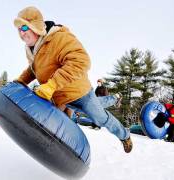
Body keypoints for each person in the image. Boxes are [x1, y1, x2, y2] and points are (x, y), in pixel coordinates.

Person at [14, 6, 132, 153]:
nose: (21, 32)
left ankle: (124, 135)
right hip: (59, 97)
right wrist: (20, 82)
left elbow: (81, 61)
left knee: (99, 118)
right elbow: (34, 69)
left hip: (80, 94)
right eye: (19, 28)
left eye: (24, 26)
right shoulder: (31, 48)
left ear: (36, 25)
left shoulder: (59, 38)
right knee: (54, 123)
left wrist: (52, 84)